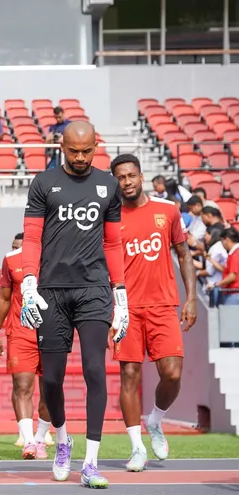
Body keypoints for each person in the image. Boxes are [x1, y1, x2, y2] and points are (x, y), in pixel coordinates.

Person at [20, 121, 128, 489]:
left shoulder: (109, 185)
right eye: (73, 151)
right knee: (50, 379)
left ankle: (92, 463)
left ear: (96, 146)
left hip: (94, 290)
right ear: (60, 146)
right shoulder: (42, 183)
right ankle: (62, 441)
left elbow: (113, 244)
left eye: (87, 151)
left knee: (95, 370)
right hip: (51, 291)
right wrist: (29, 281)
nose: (81, 158)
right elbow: (32, 236)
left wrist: (121, 294)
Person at [110, 153, 198, 472]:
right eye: (120, 177)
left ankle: (156, 420)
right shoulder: (110, 218)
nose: (127, 181)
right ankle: (136, 449)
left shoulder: (168, 210)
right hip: (127, 310)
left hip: (163, 305)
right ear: (115, 181)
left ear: (141, 176)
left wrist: (191, 299)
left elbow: (184, 254)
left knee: (172, 374)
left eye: (131, 175)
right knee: (129, 377)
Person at [0, 232, 53, 459]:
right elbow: (4, 298)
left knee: (50, 391)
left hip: (52, 333)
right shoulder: (11, 259)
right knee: (22, 386)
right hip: (20, 332)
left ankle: (40, 438)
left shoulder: (56, 257)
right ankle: (28, 441)